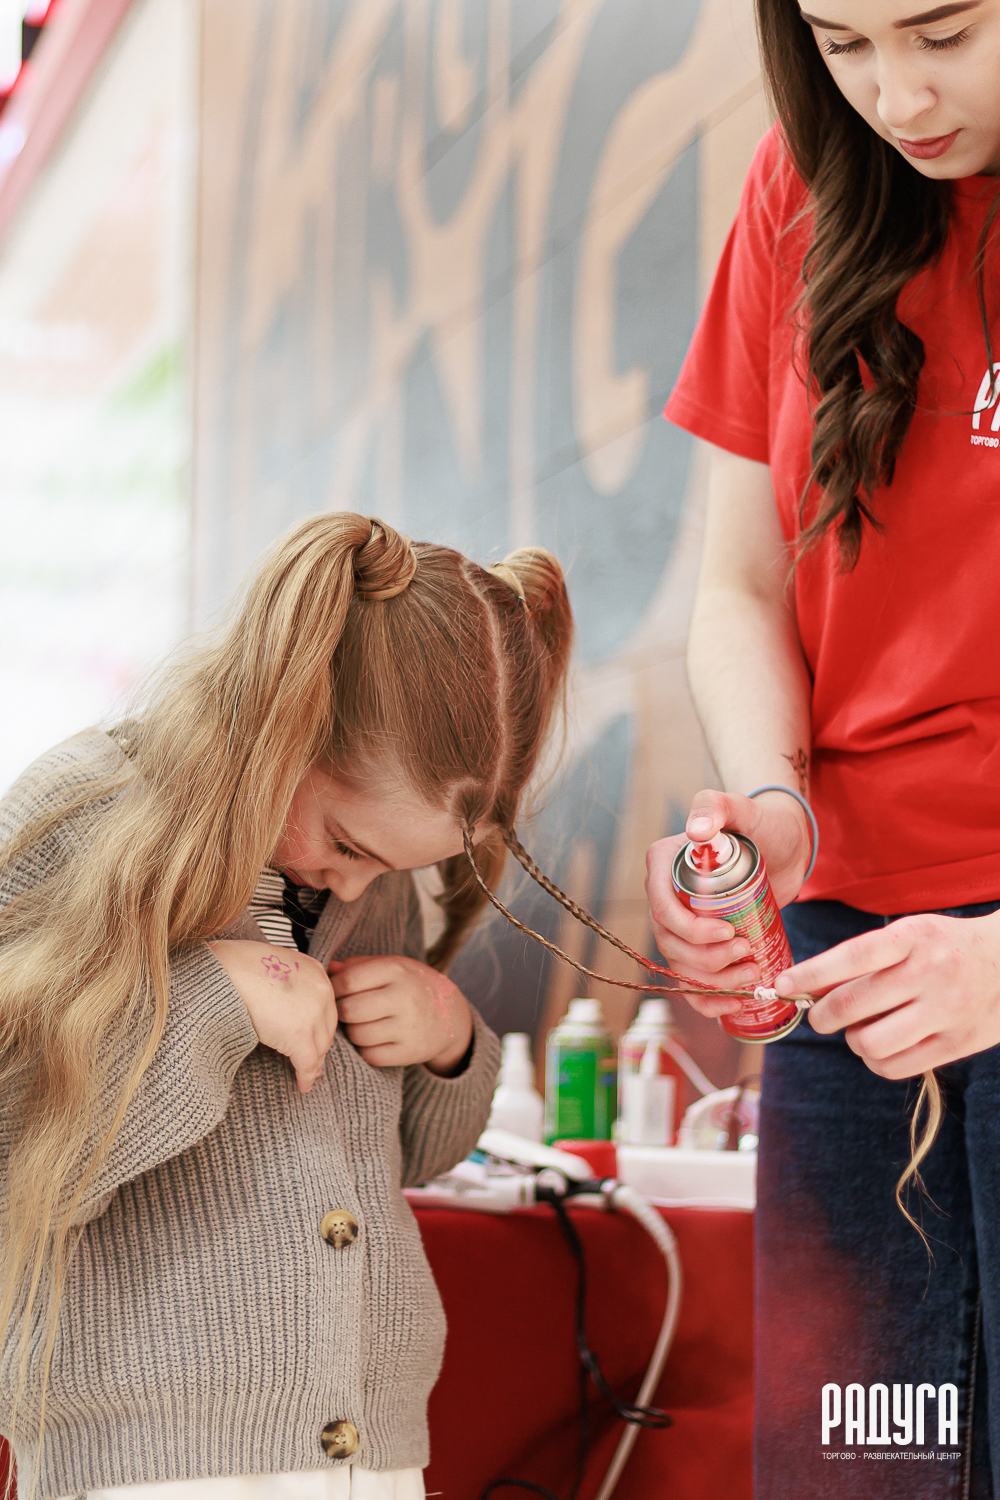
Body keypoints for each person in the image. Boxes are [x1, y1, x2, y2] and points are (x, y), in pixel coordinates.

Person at [0, 513, 573, 1500]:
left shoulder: (366, 890)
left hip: (369, 1451)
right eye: (350, 845)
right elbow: (24, 1149)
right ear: (287, 724)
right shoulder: (86, 816)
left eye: (391, 869)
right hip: (155, 1457)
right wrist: (214, 1003)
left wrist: (446, 1045)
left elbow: (403, 1154)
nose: (358, 887)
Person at [644, 1, 1000, 1494]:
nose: (896, 96)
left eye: (944, 32)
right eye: (844, 44)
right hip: (849, 966)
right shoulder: (802, 185)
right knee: (853, 1460)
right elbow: (736, 585)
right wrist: (770, 811)